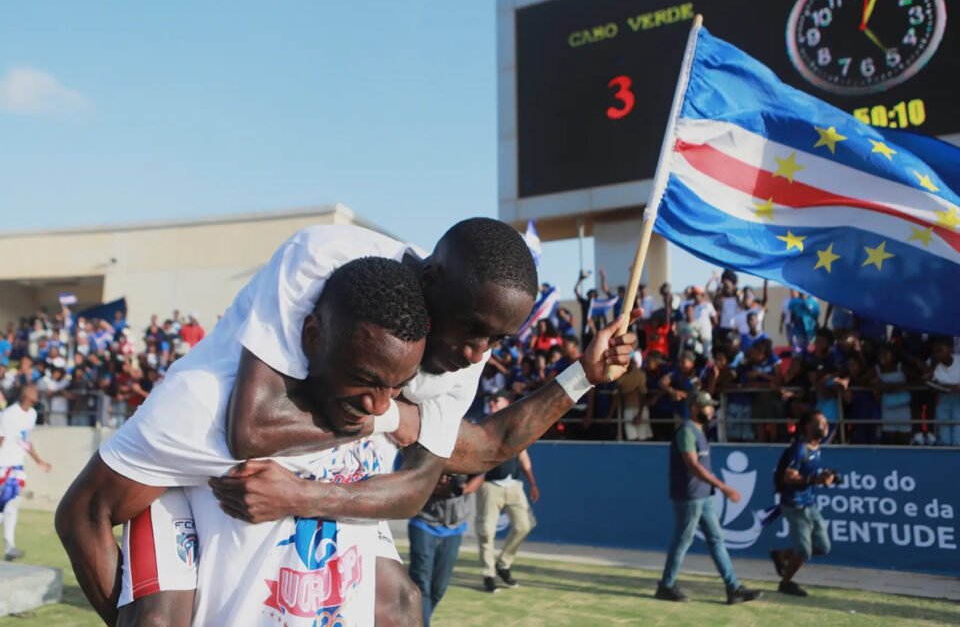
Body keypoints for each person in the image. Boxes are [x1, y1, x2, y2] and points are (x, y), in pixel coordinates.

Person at [58, 221, 638, 627]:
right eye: (470, 329)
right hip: (200, 473)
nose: (476, 354)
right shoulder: (315, 269)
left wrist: (582, 376)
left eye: (495, 340)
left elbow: (468, 454)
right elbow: (248, 429)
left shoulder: (457, 354)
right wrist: (393, 418)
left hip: (318, 487)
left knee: (401, 604)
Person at [656, 391, 761, 605]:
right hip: (690, 498)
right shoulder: (686, 431)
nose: (711, 410)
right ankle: (666, 586)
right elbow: (693, 466)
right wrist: (723, 487)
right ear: (694, 407)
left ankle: (733, 588)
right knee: (683, 541)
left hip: (704, 496)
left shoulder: (698, 430)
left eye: (712, 406)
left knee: (716, 539)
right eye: (707, 406)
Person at [476, 391, 539, 593]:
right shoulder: (483, 425)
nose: (492, 404)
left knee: (524, 525)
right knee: (486, 532)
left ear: (507, 402)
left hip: (514, 485)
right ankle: (488, 575)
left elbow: (523, 456)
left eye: (496, 400)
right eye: (490, 401)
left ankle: (503, 564)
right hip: (489, 486)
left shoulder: (515, 426)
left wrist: (533, 483)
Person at [770, 410, 835, 597]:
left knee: (823, 546)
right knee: (804, 550)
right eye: (819, 423)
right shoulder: (799, 449)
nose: (824, 427)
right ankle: (785, 583)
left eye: (825, 423)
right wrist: (815, 480)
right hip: (795, 505)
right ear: (807, 427)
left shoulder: (817, 447)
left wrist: (828, 477)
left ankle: (781, 555)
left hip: (810, 504)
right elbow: (789, 477)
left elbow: (811, 475)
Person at [408, 470, 483, 626]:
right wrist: (432, 486)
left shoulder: (466, 456)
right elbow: (409, 476)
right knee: (421, 583)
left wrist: (460, 490)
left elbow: (479, 476)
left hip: (454, 527)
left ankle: (414, 619)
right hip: (423, 521)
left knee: (439, 588)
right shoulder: (423, 453)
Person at [0, 385, 52, 561]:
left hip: (17, 466)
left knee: (11, 506)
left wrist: (39, 461)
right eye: (33, 391)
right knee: (5, 505)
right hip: (4, 466)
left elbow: (25, 441)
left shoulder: (32, 415)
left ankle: (10, 547)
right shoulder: (8, 414)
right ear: (25, 394)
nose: (37, 393)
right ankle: (9, 547)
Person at [926, 336, 960, 446]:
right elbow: (929, 383)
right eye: (935, 352)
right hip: (943, 399)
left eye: (940, 350)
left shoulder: (958, 360)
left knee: (958, 429)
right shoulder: (934, 365)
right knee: (944, 428)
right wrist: (948, 388)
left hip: (958, 399)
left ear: (950, 349)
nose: (937, 354)